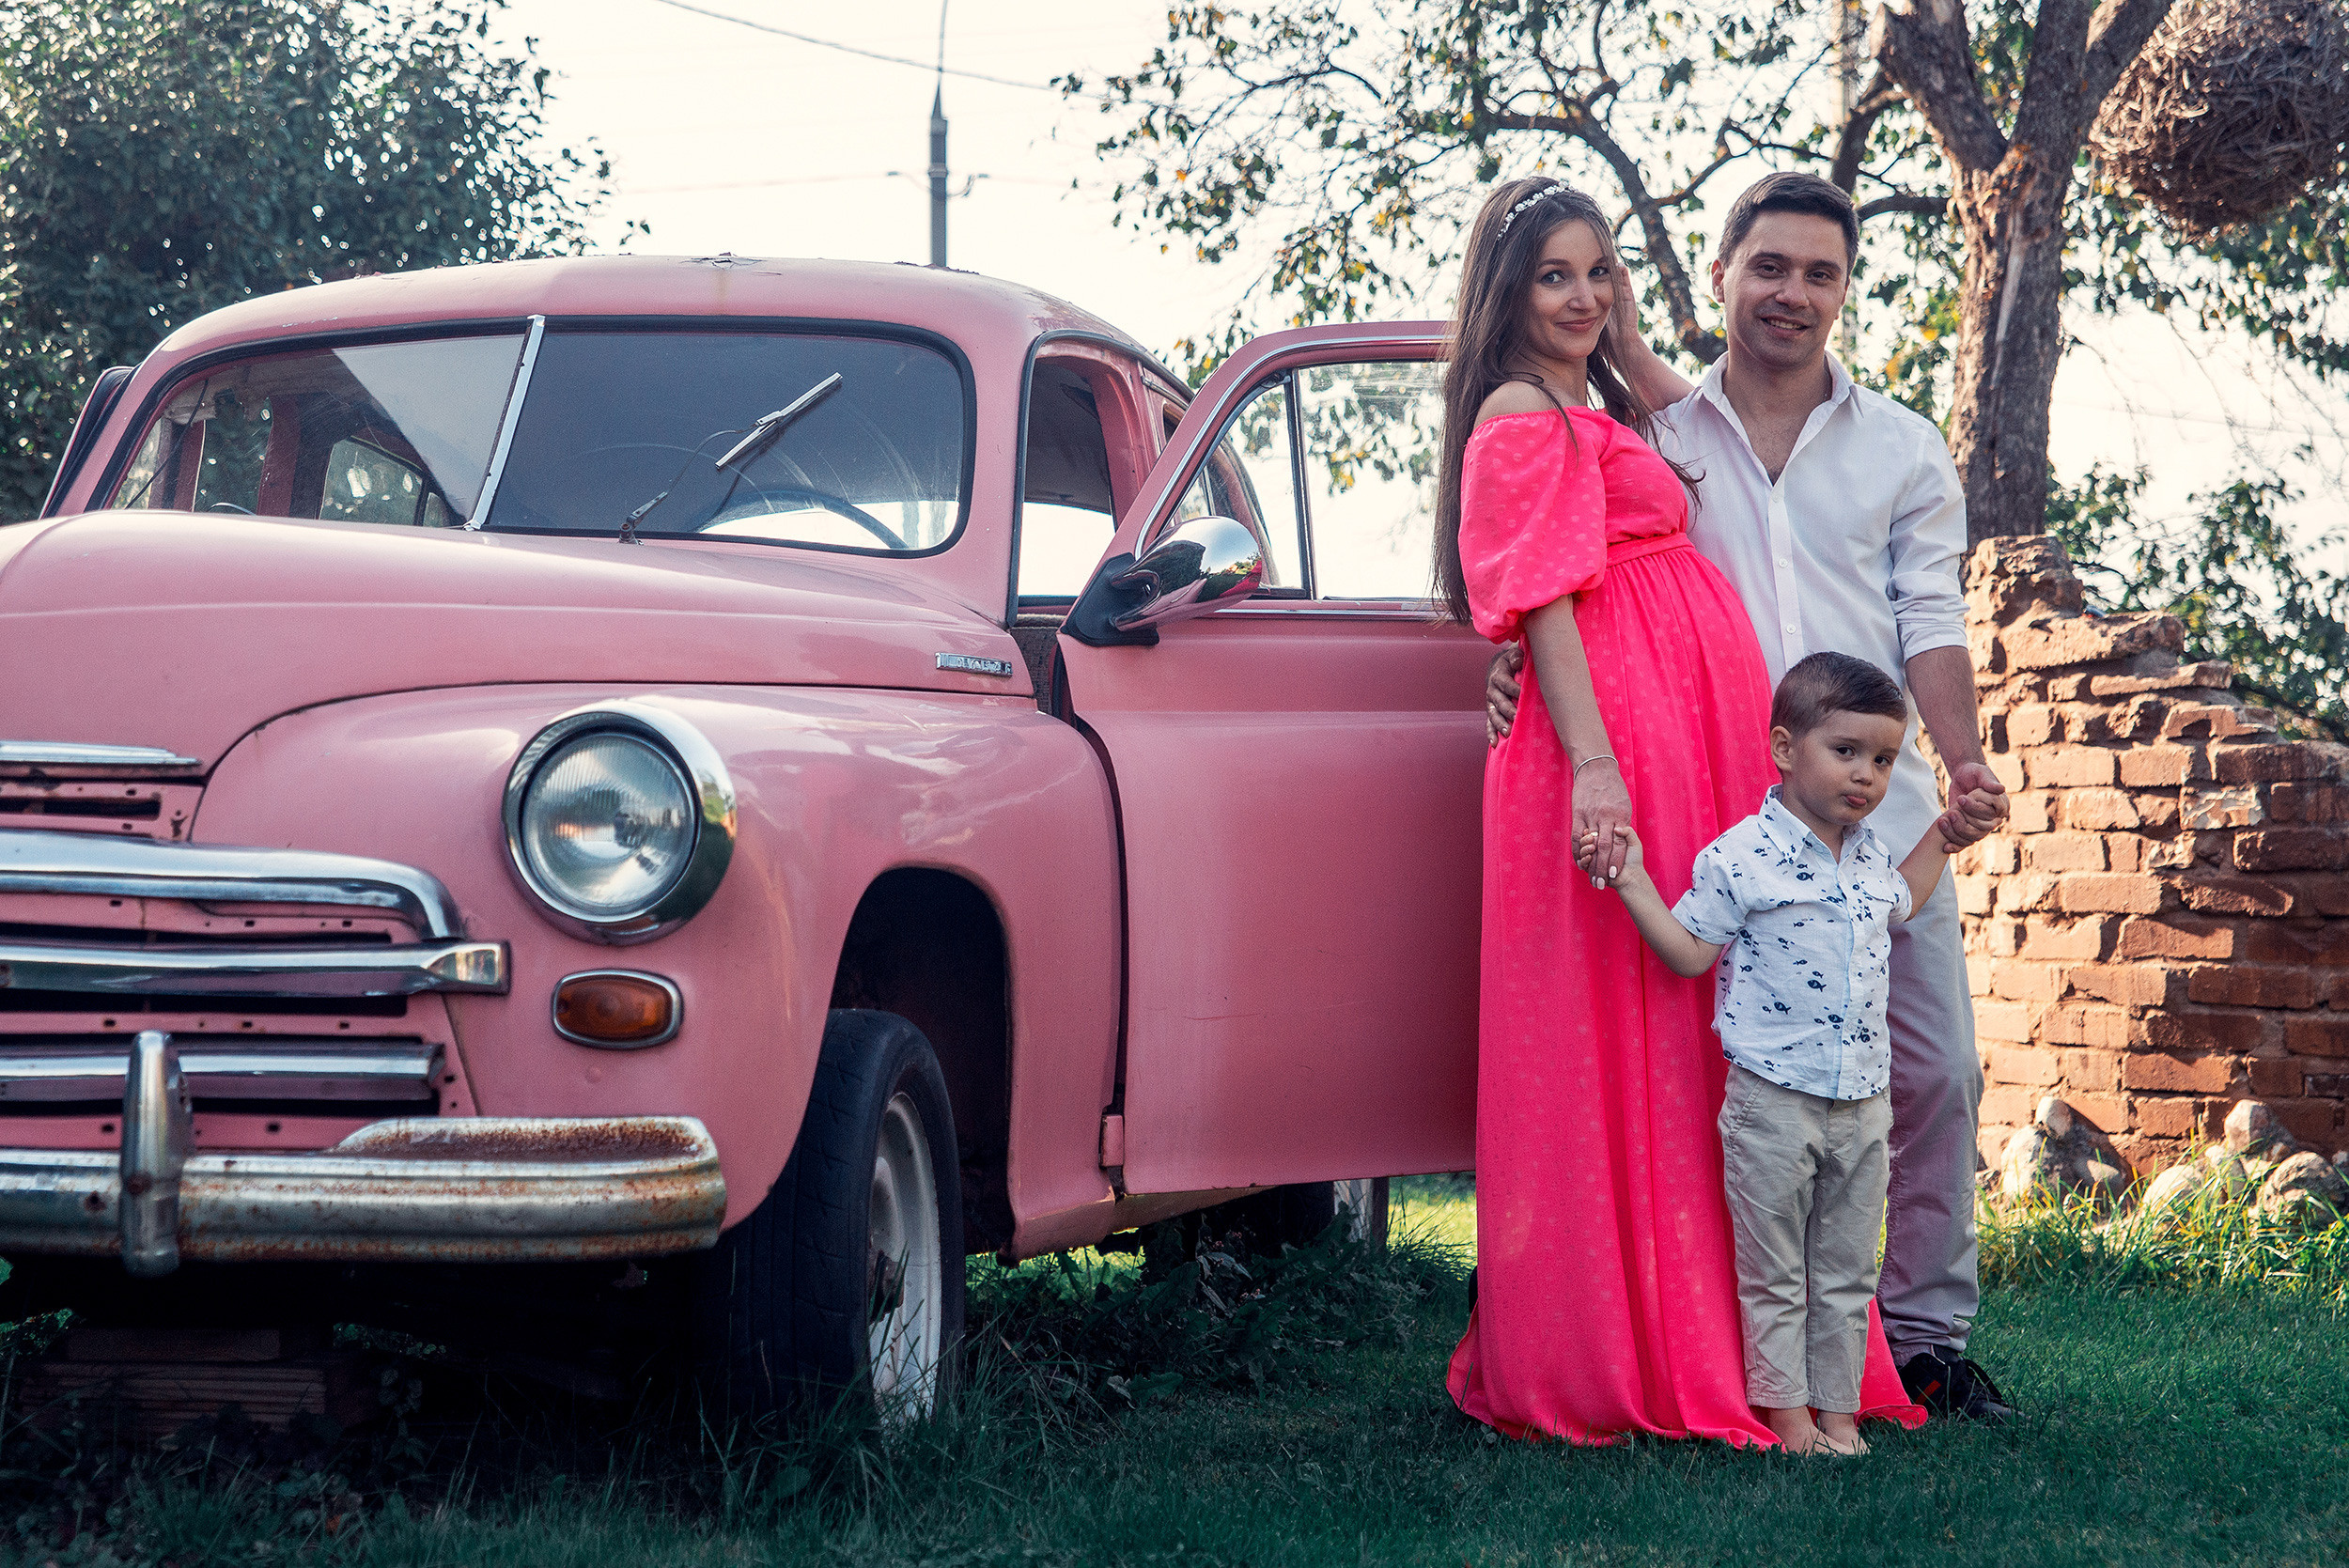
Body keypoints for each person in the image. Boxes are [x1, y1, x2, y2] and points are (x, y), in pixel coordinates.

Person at [1486, 171, 2015, 1421]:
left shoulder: (1899, 446)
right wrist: (1504, 659)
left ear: (1845, 291)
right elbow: (1559, 556)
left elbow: (1931, 621)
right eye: (1768, 266)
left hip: (1874, 802)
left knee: (1930, 1069)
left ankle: (1921, 1335)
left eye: (1820, 273)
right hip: (1722, 803)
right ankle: (1734, 1341)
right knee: (1719, 1080)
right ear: (1719, 275)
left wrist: (1967, 754)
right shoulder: (1657, 438)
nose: (1793, 292)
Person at [1595, 653, 1972, 1455]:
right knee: (1777, 1271)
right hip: (1773, 1102)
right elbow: (1692, 954)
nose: (1866, 776)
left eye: (1882, 758)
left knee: (1844, 1269)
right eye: (1846, 751)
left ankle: (1840, 1412)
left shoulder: (1871, 853)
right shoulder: (1740, 858)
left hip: (1864, 1102)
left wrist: (1943, 834)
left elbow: (1904, 897)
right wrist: (1631, 882)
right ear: (1783, 746)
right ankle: (1788, 1414)